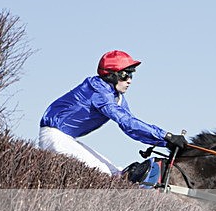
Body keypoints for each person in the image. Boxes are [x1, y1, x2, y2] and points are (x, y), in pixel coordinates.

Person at [38, 50, 188, 175]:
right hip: (55, 137)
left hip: (67, 138)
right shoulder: (99, 91)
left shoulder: (116, 97)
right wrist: (166, 136)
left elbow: (131, 127)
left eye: (131, 75)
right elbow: (126, 122)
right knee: (104, 174)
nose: (130, 80)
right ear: (112, 75)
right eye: (125, 75)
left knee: (116, 173)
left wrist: (165, 143)